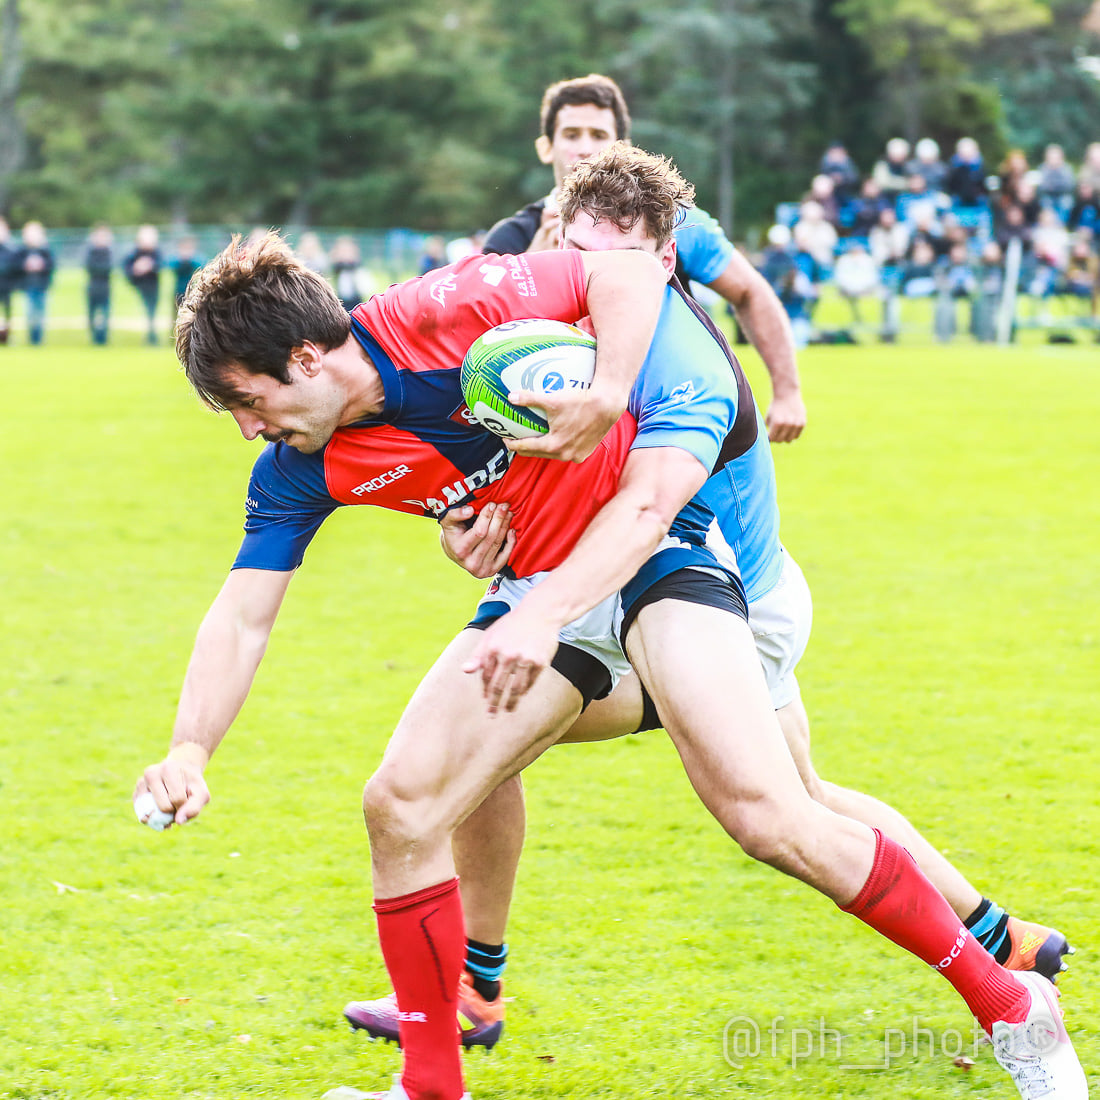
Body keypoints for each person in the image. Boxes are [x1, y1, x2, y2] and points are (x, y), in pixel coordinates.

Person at [138, 153, 1086, 1100]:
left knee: (769, 815)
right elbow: (242, 614)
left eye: (247, 401)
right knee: (403, 804)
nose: (246, 429)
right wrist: (190, 748)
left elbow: (625, 275)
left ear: (304, 359)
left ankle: (1009, 1003)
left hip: (661, 557)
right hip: (542, 591)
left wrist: (606, 393)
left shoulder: (444, 309)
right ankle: (431, 1087)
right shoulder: (300, 468)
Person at [481, 73, 807, 444]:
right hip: (560, 429)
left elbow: (749, 291)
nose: (585, 148)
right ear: (546, 147)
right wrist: (535, 266)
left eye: (599, 135)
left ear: (622, 144)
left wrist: (787, 392)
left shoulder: (674, 222)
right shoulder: (511, 239)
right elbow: (476, 345)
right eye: (571, 135)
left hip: (665, 417)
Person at [14, 221, 54, 346]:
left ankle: (38, 339)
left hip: (42, 285)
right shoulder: (22, 250)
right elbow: (15, 265)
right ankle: (32, 338)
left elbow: (52, 265)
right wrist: (26, 265)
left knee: (40, 312)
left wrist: (41, 265)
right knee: (30, 312)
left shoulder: (45, 250)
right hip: (28, 285)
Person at [123, 224, 164, 345]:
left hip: (152, 287)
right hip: (139, 286)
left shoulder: (156, 253)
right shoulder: (133, 254)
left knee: (151, 312)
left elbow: (160, 265)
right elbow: (127, 270)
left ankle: (151, 336)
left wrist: (149, 266)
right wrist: (137, 269)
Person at [84, 224, 114, 345]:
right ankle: (94, 338)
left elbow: (108, 268)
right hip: (93, 287)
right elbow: (90, 267)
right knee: (92, 315)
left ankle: (103, 339)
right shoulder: (90, 252)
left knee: (104, 314)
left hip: (105, 288)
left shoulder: (109, 252)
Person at [169, 235, 203, 315]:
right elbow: (170, 264)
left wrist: (189, 259)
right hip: (179, 291)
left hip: (192, 291)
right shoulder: (177, 259)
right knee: (176, 313)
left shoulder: (195, 259)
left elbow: (201, 264)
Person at [0, 217, 16, 345]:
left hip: (6, 287)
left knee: (7, 315)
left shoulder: (11, 249)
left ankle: (6, 338)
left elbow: (15, 267)